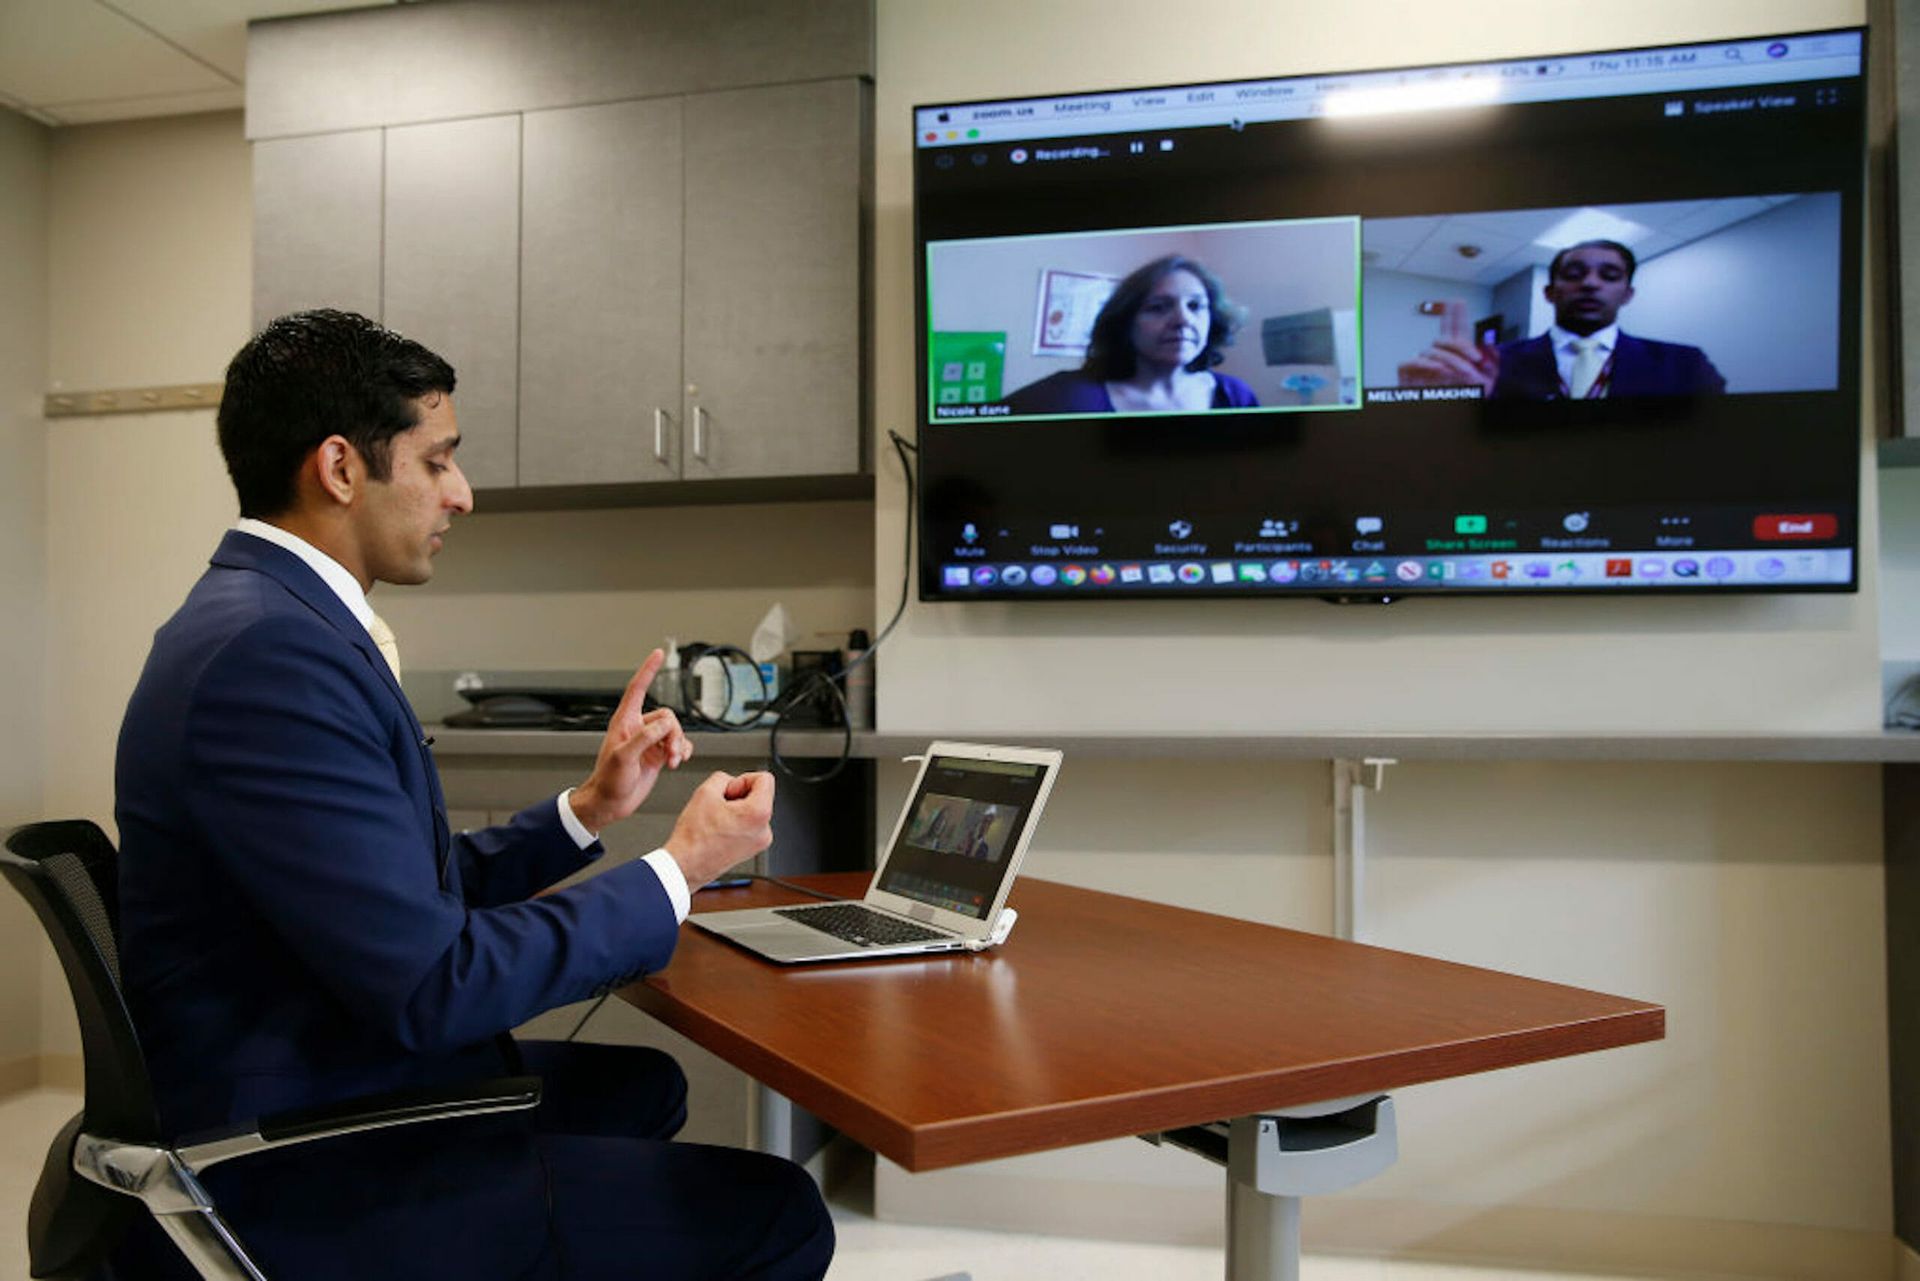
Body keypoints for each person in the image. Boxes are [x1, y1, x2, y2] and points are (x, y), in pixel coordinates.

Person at [111, 310, 834, 1280]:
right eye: (439, 460)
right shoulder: (270, 655)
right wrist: (683, 864)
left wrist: (593, 806)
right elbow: (432, 984)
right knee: (781, 1213)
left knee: (644, 1085)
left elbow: (396, 889)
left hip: (315, 1063)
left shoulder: (265, 621)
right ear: (339, 468)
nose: (464, 493)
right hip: (308, 1157)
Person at [1396, 239, 1726, 399]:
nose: (1590, 283)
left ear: (1627, 295)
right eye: (1574, 274)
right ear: (1550, 293)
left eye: (1609, 275)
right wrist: (1434, 403)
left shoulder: (1685, 364)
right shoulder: (1493, 362)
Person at [1005, 254, 1259, 414]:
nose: (1183, 320)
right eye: (1158, 307)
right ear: (1124, 322)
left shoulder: (1236, 396)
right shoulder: (1067, 397)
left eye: (1195, 306)